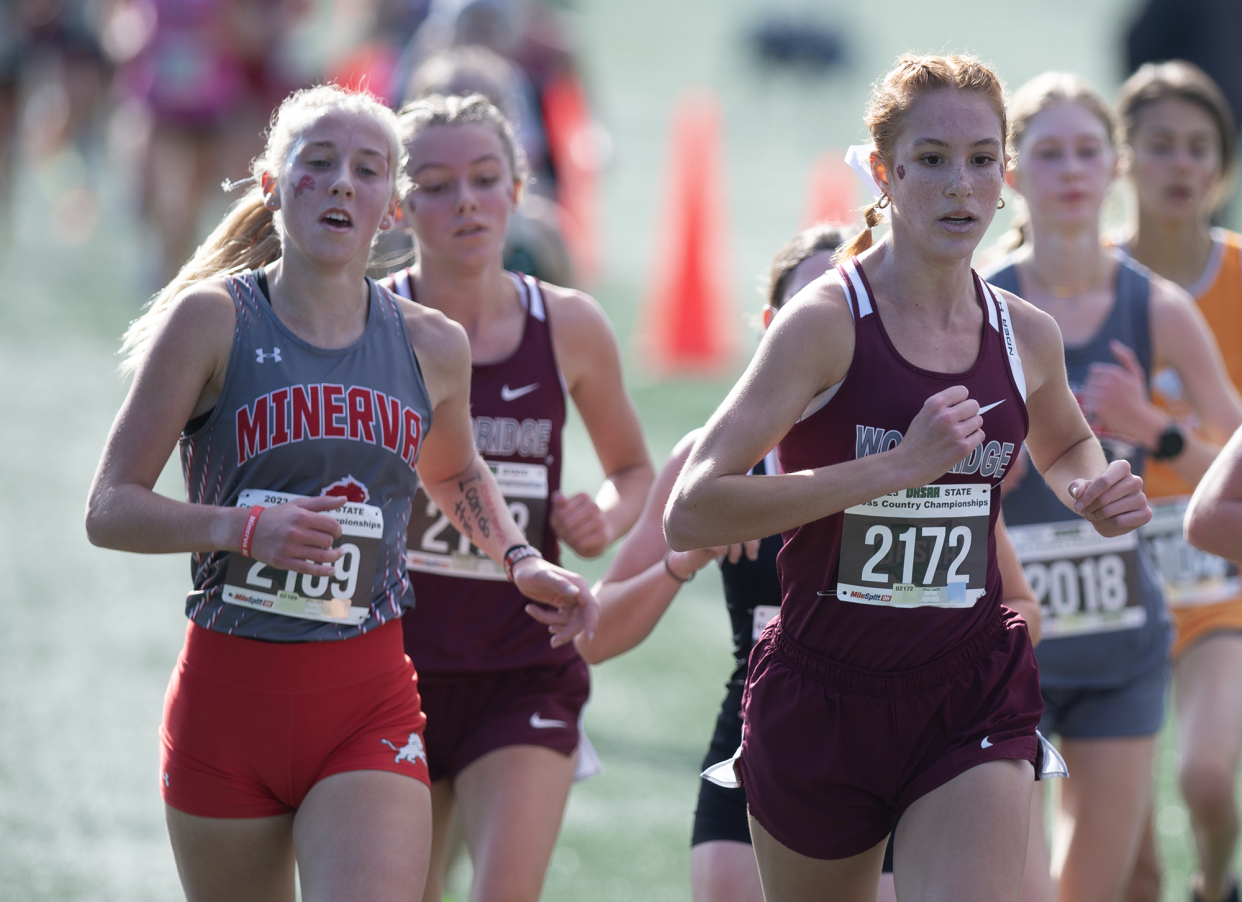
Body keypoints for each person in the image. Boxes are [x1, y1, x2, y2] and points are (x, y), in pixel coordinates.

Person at [83, 83, 596, 902]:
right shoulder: (211, 322)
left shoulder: (433, 345)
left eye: (366, 170)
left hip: (367, 701)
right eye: (317, 165)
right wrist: (243, 527)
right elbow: (109, 508)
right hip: (229, 703)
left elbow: (454, 470)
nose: (341, 185)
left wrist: (521, 557)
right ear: (271, 186)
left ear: (390, 208)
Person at [665, 52, 1149, 902]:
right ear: (885, 174)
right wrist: (895, 468)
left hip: (970, 689)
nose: (960, 185)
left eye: (981, 159)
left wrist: (1094, 488)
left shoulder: (1022, 334)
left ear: (1004, 177)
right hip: (823, 692)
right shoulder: (826, 323)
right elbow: (693, 509)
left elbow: (1067, 443)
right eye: (931, 159)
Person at [578, 222, 1043, 902]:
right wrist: (684, 563)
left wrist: (931, 642)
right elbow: (595, 634)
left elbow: (1024, 609)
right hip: (778, 735)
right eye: (815, 312)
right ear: (776, 329)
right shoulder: (706, 467)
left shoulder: (922, 455)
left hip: (916, 732)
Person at [380, 93, 653, 902]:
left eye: (485, 177)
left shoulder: (568, 325)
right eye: (434, 183)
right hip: (389, 670)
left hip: (524, 671)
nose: (464, 199)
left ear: (520, 186)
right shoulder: (370, 325)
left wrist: (602, 515)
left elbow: (634, 470)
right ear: (397, 204)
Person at [984, 72, 1242, 902]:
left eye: (1087, 152)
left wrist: (1154, 428)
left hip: (1125, 634)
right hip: (1007, 640)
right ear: (1014, 171)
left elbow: (1233, 462)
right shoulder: (980, 300)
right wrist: (981, 465)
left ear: (1112, 167)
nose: (1071, 172)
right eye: (1048, 153)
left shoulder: (1159, 307)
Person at [1118, 60, 1242, 902]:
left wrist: (1158, 432)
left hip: (1218, 570)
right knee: (1123, 850)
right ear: (1122, 157)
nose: (1181, 165)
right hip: (1101, 571)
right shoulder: (1073, 279)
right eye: (1159, 144)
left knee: (1204, 773)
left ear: (1222, 167)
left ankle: (1217, 882)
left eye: (1199, 147)